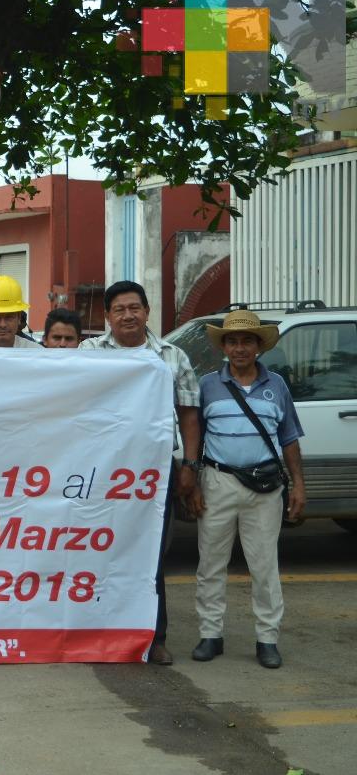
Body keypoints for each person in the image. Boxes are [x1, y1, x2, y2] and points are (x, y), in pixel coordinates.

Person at [80, 280, 201, 666]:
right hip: (98, 469)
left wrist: (190, 465)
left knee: (148, 552)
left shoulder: (173, 357)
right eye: (119, 309)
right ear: (107, 317)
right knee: (92, 547)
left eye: (135, 308)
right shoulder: (88, 353)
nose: (128, 315)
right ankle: (90, 631)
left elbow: (189, 415)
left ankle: (154, 636)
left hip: (155, 471)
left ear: (147, 312)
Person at [190, 309, 306, 669]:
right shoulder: (207, 385)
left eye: (247, 341)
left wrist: (299, 484)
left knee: (264, 565)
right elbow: (196, 437)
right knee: (211, 563)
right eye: (233, 341)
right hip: (217, 481)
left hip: (265, 488)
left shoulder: (278, 387)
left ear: (259, 346)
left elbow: (289, 439)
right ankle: (211, 635)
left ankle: (267, 639)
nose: (240, 347)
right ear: (224, 346)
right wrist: (192, 480)